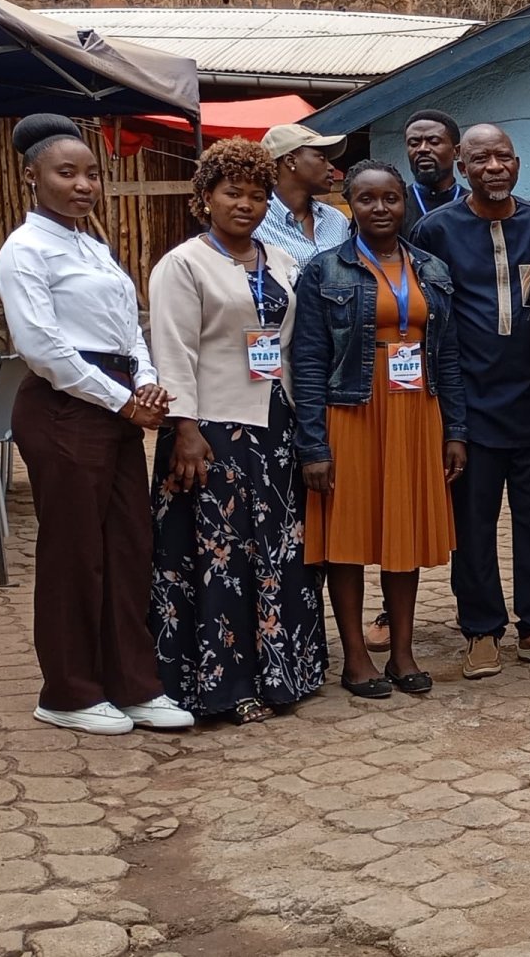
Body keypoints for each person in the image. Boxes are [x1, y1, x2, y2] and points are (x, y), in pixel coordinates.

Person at [0, 115, 192, 735]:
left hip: (115, 406)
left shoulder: (94, 246)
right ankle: (69, 692)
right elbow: (43, 347)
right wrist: (121, 398)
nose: (83, 185)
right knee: (75, 552)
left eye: (92, 174)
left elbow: (128, 327)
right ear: (32, 177)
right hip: (62, 409)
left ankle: (133, 683)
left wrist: (148, 381)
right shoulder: (23, 251)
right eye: (67, 172)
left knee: (129, 545)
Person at [148, 138, 326, 724]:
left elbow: (293, 346)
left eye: (256, 195)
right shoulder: (183, 264)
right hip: (211, 429)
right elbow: (172, 349)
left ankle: (282, 674)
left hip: (275, 424)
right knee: (217, 559)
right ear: (205, 198)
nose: (245, 205)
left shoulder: (280, 261)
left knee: (275, 551)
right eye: (232, 193)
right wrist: (185, 428)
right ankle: (222, 686)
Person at [291, 160, 467, 700]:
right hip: (352, 413)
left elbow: (450, 355)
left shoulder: (432, 269)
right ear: (350, 204)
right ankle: (355, 657)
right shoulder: (323, 271)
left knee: (403, 534)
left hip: (416, 415)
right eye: (366, 199)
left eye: (390, 198)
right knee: (347, 537)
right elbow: (308, 361)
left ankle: (404, 652)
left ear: (403, 203)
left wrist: (455, 429)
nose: (380, 209)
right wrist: (314, 445)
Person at [409, 124, 530, 680]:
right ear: (462, 165)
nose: (493, 167)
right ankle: (480, 630)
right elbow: (426, 318)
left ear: (518, 164)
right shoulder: (435, 231)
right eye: (480, 158)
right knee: (472, 525)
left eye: (502, 157)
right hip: (469, 405)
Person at [256, 123, 351, 270]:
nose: (331, 167)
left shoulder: (337, 220)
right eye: (321, 157)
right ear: (290, 161)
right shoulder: (257, 222)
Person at [401, 109, 465, 235]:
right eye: (414, 144)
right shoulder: (395, 207)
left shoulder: (476, 205)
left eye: (434, 142)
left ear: (456, 152)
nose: (422, 149)